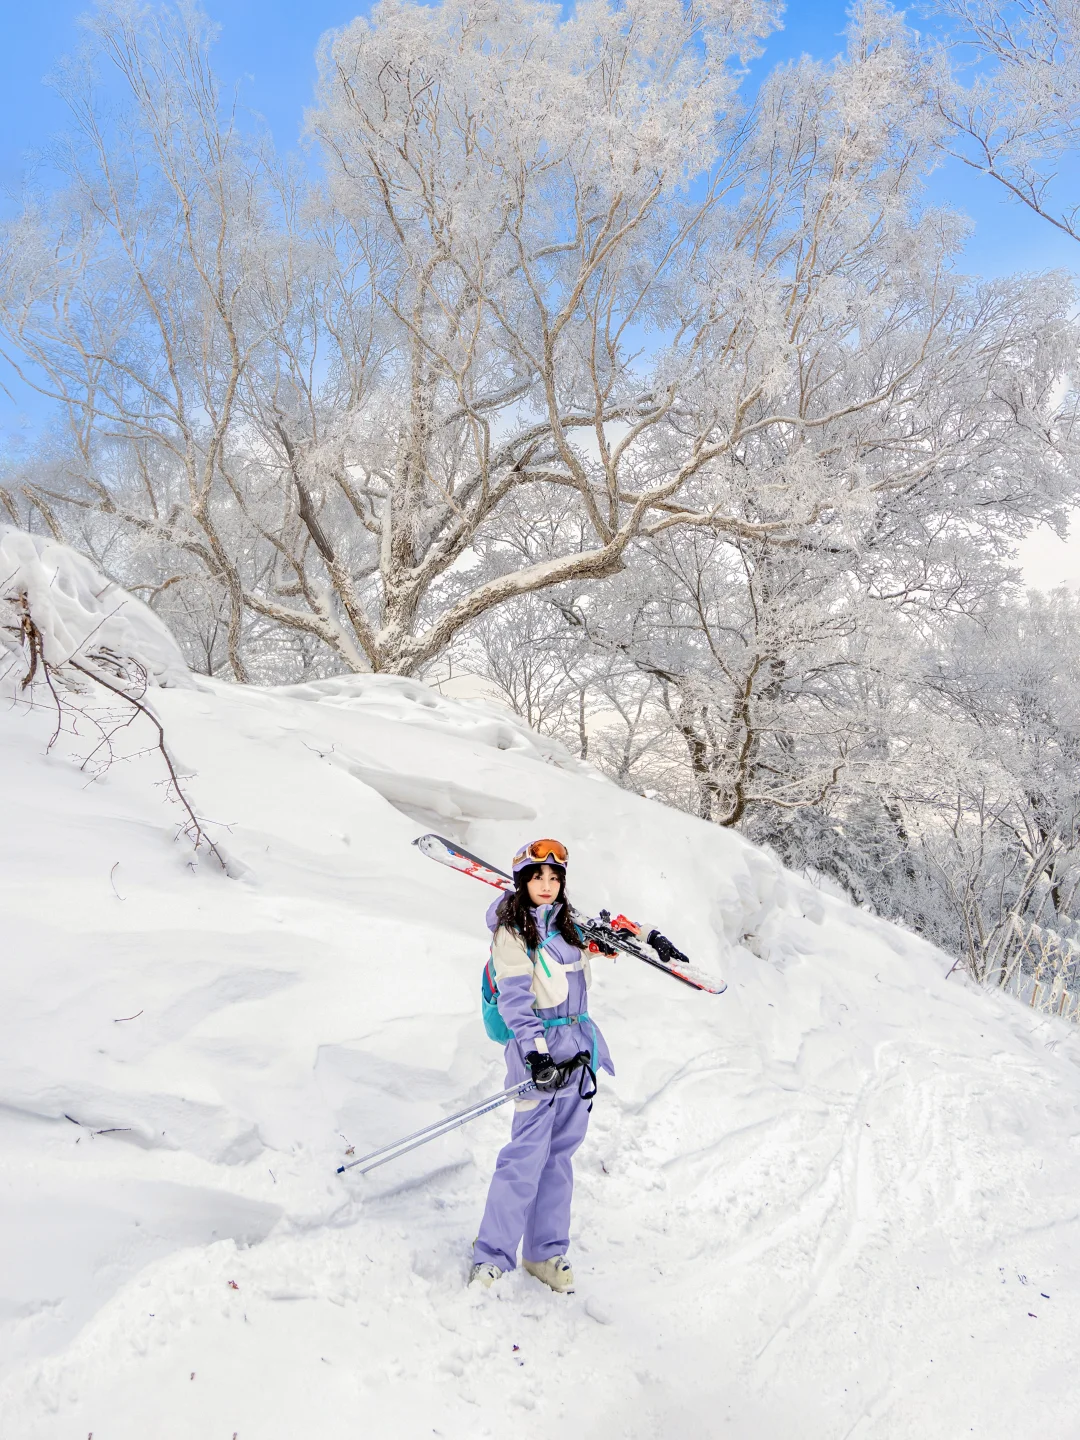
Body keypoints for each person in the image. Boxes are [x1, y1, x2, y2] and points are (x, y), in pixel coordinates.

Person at [469, 837, 613, 1294]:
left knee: (559, 1157)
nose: (547, 885)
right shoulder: (511, 932)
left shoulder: (569, 929)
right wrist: (536, 1055)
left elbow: (613, 940)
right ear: (523, 881)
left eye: (554, 878)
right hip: (537, 1052)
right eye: (537, 877)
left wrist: (644, 939)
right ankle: (491, 1256)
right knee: (525, 1157)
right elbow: (515, 1002)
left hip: (578, 1049)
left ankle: (544, 1253)